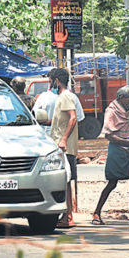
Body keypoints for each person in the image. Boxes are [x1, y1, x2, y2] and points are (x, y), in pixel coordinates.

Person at [91, 86, 129, 226]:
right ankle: (96, 212)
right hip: (117, 150)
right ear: (121, 98)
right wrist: (128, 143)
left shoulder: (128, 110)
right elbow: (109, 135)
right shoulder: (111, 111)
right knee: (112, 182)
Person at [49, 68, 78, 228]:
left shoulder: (65, 96)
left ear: (57, 81)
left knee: (65, 181)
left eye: (51, 80)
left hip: (64, 147)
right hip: (60, 145)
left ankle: (68, 216)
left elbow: (73, 118)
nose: (50, 84)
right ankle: (67, 215)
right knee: (64, 181)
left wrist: (64, 139)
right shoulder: (62, 97)